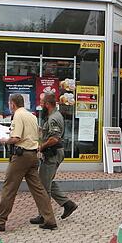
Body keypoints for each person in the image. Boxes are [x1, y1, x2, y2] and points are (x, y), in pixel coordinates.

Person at [0, 94, 56, 231]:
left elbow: (16, 138)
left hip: (21, 156)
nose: (9, 106)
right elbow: (38, 135)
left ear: (13, 104)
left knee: (9, 188)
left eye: (10, 104)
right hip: (33, 155)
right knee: (38, 189)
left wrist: (5, 139)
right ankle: (50, 219)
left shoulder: (18, 115)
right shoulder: (32, 116)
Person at [30, 92, 78, 224]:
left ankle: (45, 216)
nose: (40, 105)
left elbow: (54, 138)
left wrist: (41, 147)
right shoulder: (52, 116)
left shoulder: (53, 118)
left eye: (41, 103)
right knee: (47, 181)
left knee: (43, 187)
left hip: (52, 154)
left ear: (47, 104)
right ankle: (67, 204)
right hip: (53, 153)